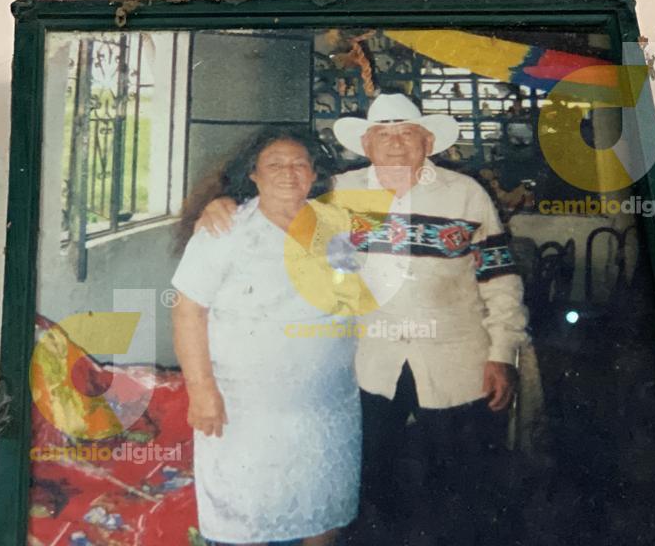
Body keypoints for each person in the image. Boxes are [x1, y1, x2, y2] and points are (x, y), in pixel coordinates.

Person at [196, 94, 531, 545]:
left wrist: (502, 352)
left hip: (458, 360)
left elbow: (500, 279)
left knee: (463, 485)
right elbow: (274, 199)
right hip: (367, 364)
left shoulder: (467, 194)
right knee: (370, 484)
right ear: (366, 144)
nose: (395, 143)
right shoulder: (335, 191)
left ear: (428, 141)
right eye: (383, 135)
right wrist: (222, 202)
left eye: (407, 133)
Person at [170, 128, 365, 546]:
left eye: (299, 164)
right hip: (249, 406)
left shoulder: (336, 224)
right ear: (253, 175)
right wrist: (201, 391)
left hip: (327, 403)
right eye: (274, 164)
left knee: (323, 505)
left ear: (314, 174)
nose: (288, 173)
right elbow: (188, 310)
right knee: (249, 513)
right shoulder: (226, 229)